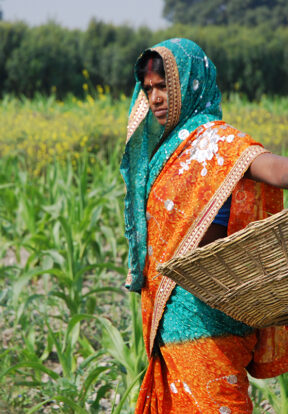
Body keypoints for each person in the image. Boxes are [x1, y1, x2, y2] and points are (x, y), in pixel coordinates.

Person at [120, 38, 288, 413]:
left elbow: (276, 171)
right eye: (148, 89)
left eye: (164, 85)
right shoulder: (160, 154)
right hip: (171, 319)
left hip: (214, 317)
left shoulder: (217, 142)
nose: (155, 98)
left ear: (191, 82)